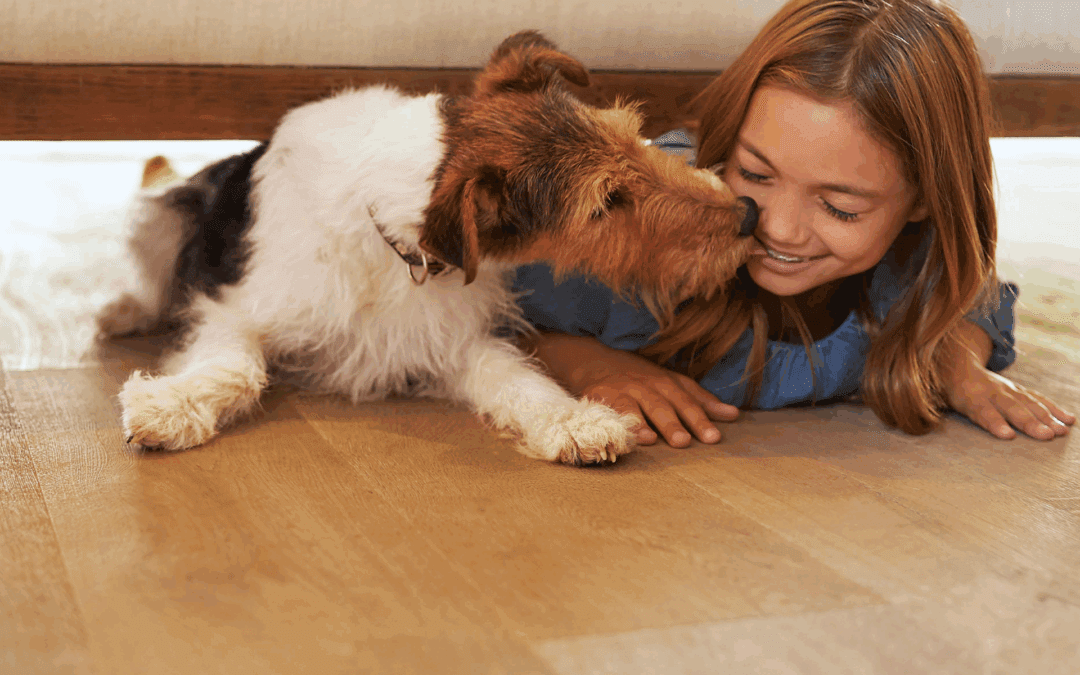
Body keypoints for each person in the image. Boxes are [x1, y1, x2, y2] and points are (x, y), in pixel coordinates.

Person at [513, 0, 1075, 447]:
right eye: (755, 174)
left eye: (840, 208)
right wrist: (588, 365)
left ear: (925, 201)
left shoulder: (916, 262)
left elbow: (980, 295)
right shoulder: (636, 231)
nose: (778, 229)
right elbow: (487, 315)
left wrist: (953, 356)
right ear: (727, 140)